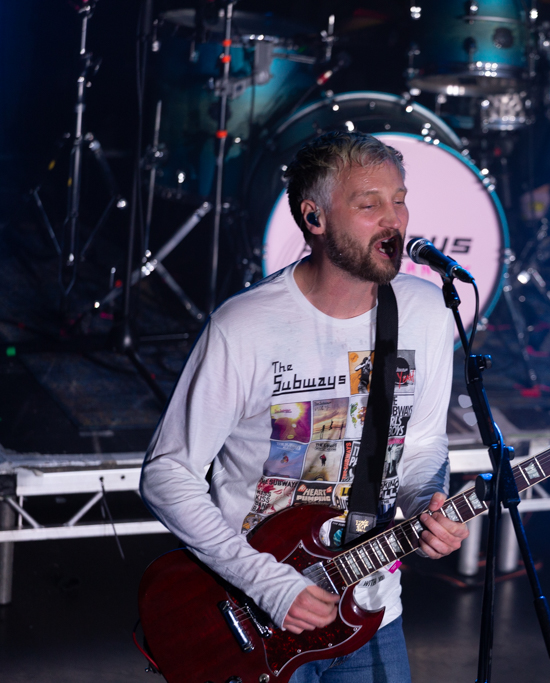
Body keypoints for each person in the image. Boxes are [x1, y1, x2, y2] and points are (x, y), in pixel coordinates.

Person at [140, 130, 468, 683]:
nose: (394, 221)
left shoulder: (427, 312)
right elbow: (167, 473)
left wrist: (426, 505)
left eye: (399, 200)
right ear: (314, 218)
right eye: (369, 205)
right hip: (252, 611)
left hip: (371, 611)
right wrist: (268, 583)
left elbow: (421, 444)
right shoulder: (245, 326)